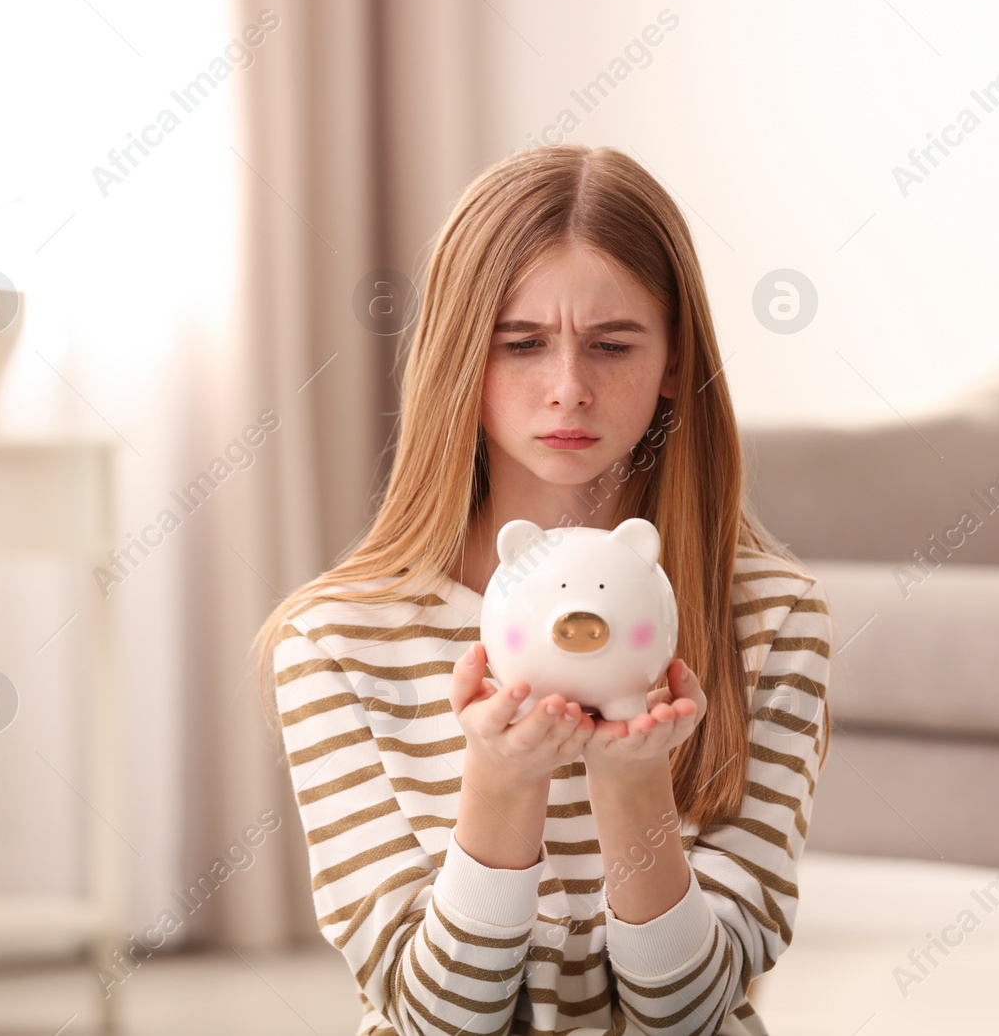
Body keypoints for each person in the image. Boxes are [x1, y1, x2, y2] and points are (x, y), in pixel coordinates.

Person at [251, 143, 832, 1035]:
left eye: (612, 344)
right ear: (459, 360)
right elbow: (437, 1018)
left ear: (676, 361)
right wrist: (500, 782)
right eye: (521, 344)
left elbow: (690, 1014)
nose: (569, 390)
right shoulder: (336, 641)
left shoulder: (771, 617)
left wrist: (633, 784)